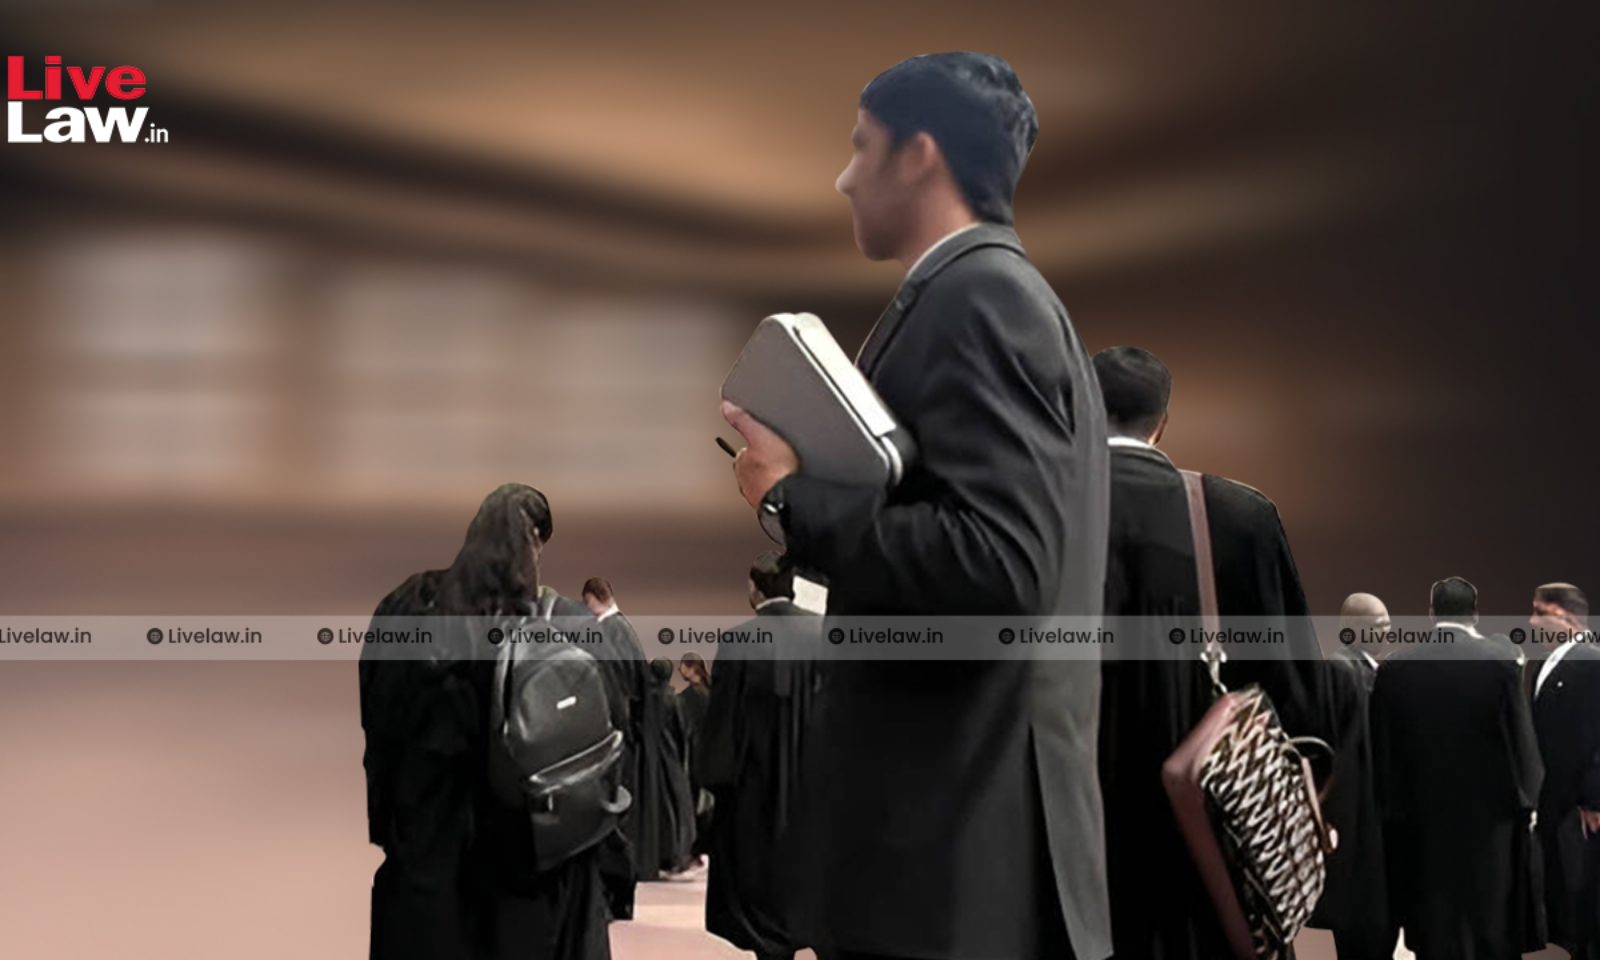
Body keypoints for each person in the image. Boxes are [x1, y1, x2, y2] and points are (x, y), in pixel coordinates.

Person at [722, 52, 1111, 960]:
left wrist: (792, 497)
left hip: (948, 868)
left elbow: (1001, 565)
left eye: (862, 146)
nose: (844, 176)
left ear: (920, 155)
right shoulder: (1001, 294)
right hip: (963, 865)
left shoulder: (979, 298)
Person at [1089, 346, 1338, 960]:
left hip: (1068, 841)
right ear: (1162, 422)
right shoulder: (1237, 516)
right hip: (1204, 838)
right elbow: (1297, 689)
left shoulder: (1033, 508)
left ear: (1083, 409)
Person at [359, 483, 612, 960]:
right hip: (507, 850)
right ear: (533, 542)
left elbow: (375, 710)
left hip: (422, 830)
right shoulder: (538, 627)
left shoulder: (406, 602)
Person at [1370, 576, 1545, 960]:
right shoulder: (1501, 665)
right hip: (1489, 827)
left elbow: (1381, 751)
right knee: (1488, 929)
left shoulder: (1395, 668)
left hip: (1420, 824)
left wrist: (1388, 812)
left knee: (1433, 930)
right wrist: (1528, 804)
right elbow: (1521, 747)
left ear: (1432, 613)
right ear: (1475, 613)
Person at [700, 551, 820, 960]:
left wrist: (714, 782)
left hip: (756, 788)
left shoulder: (739, 640)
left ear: (756, 588)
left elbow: (722, 727)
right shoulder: (824, 635)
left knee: (757, 875)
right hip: (813, 784)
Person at [1313, 592, 1395, 960]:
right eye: (1377, 625)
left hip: (1377, 816)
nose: (1386, 631)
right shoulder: (1340, 671)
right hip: (1354, 817)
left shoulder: (1376, 673)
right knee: (1359, 928)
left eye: (1387, 624)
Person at [1529, 584, 1600, 958]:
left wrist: (1594, 799)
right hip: (1552, 807)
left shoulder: (1593, 661)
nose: (1532, 621)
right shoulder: (1543, 665)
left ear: (1566, 615)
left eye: (1540, 612)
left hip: (1581, 811)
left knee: (1582, 903)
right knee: (1560, 905)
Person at [581, 576, 649, 918]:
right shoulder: (627, 631)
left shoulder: (606, 634)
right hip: (629, 738)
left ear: (593, 599)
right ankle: (623, 895)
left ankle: (615, 895)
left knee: (611, 819)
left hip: (611, 737)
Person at [646, 656, 696, 876]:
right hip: (670, 756)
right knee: (677, 806)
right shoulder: (673, 698)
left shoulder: (645, 698)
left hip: (649, 759)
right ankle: (677, 854)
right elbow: (682, 731)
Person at [676, 651, 713, 864]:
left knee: (692, 801)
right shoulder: (711, 692)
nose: (680, 670)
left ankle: (693, 849)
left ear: (691, 668)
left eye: (683, 666)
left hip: (692, 755)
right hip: (708, 754)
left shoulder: (686, 697)